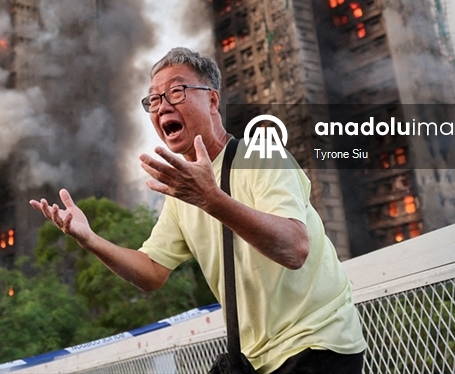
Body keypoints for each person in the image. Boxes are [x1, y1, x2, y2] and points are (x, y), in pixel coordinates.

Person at [30, 47, 366, 374]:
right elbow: (151, 272)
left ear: (213, 99)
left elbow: (294, 249)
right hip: (254, 359)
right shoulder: (182, 193)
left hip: (317, 343)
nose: (163, 106)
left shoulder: (261, 156)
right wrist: (90, 240)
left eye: (176, 91)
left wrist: (211, 199)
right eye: (154, 100)